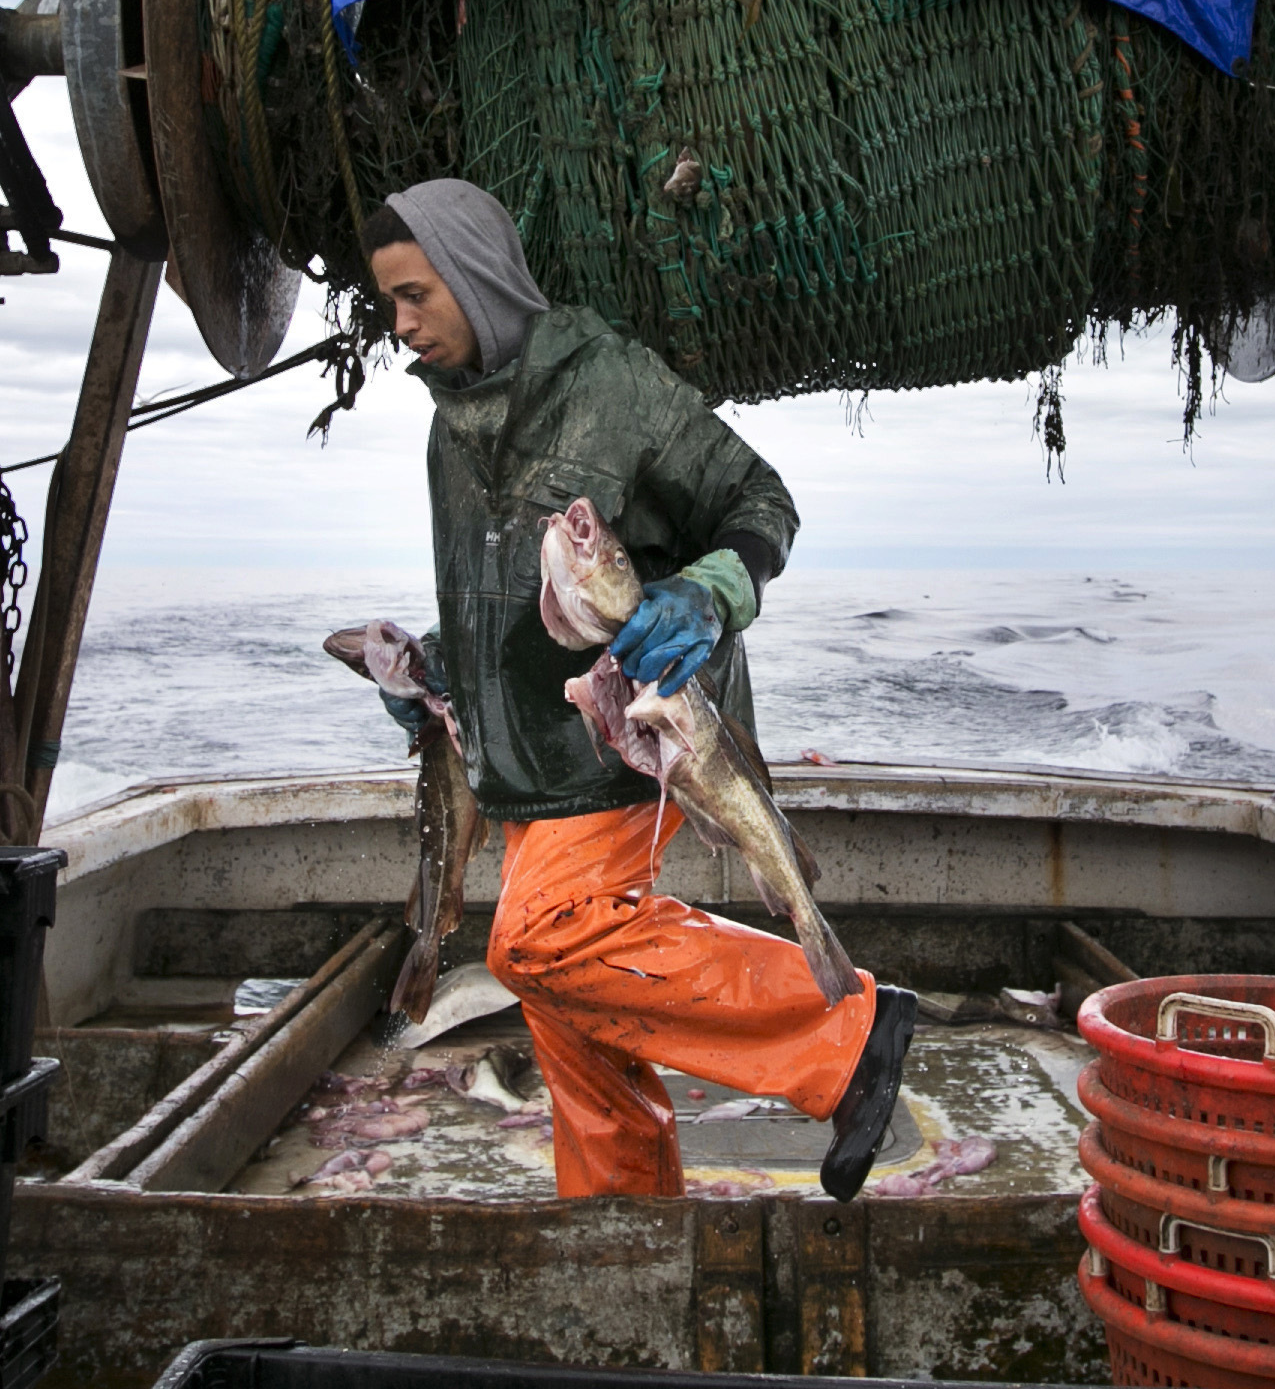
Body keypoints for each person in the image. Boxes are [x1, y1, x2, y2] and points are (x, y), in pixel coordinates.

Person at [364, 177, 918, 1200]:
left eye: (414, 295)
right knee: (585, 1040)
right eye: (388, 302)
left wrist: (710, 591)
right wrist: (439, 669)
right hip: (522, 760)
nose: (399, 325)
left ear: (476, 277)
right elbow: (494, 597)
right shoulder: (450, 430)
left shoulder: (613, 382)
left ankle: (845, 1029)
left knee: (537, 938)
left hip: (630, 735)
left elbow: (760, 499)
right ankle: (623, 1235)